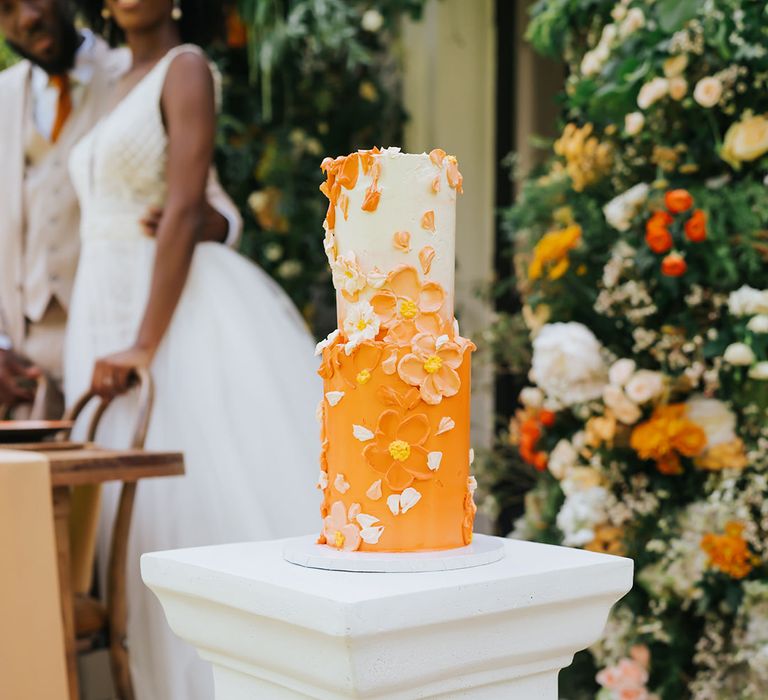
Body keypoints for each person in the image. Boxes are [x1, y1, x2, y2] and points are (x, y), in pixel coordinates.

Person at [67, 0, 321, 698]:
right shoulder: (113, 78)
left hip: (164, 312)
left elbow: (185, 203)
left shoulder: (186, 70)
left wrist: (144, 344)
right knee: (129, 518)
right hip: (100, 302)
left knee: (190, 501)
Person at [0, 0, 241, 419]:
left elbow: (207, 203)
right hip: (25, 355)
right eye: (4, 8)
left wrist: (209, 224)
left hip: (123, 322)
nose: (27, 17)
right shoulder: (2, 97)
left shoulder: (143, 68)